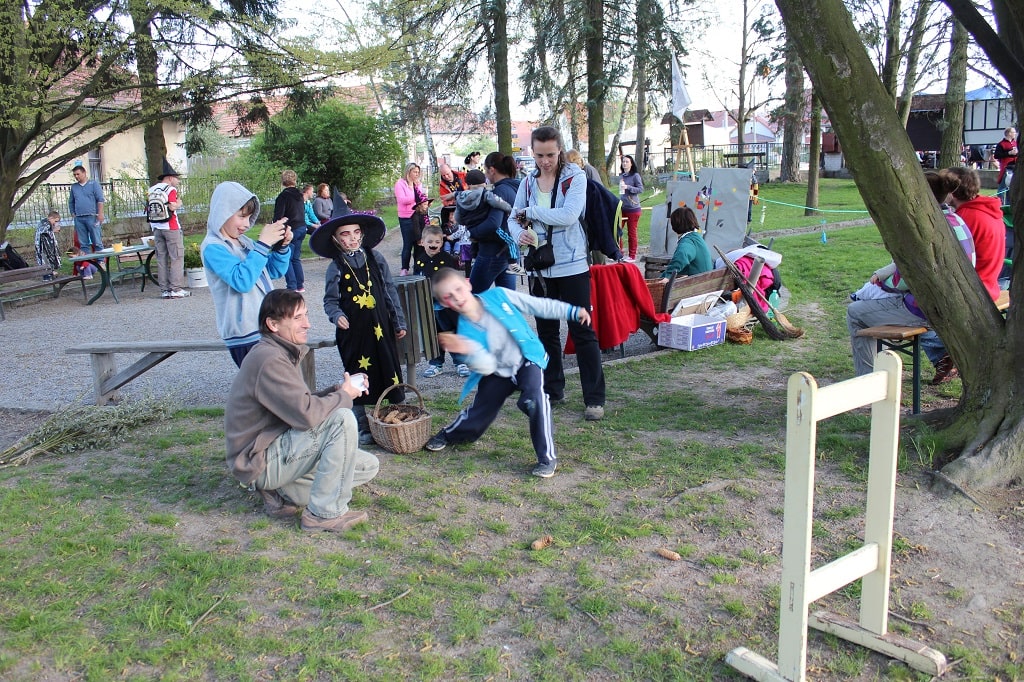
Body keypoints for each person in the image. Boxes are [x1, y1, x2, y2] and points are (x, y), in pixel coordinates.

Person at [225, 288, 379, 533]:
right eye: (298, 318)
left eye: (306, 315)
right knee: (341, 420)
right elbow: (306, 415)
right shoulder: (269, 360)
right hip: (258, 459)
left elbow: (298, 404)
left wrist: (338, 390)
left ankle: (282, 490)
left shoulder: (277, 351)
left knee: (367, 465)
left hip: (274, 448)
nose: (307, 324)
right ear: (273, 324)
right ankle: (322, 513)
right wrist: (343, 396)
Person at [424, 268, 592, 478]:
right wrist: (468, 348)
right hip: (496, 371)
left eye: (458, 289)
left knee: (536, 400)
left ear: (467, 284)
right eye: (448, 296)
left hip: (526, 360)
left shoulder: (498, 295)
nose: (456, 298)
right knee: (479, 413)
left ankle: (546, 458)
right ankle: (449, 434)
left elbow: (537, 304)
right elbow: (485, 366)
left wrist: (571, 311)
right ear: (444, 303)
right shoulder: (464, 331)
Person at [509, 125, 606, 421]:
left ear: (560, 150)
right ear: (532, 152)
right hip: (540, 269)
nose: (545, 161)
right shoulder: (528, 182)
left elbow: (568, 215)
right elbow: (512, 218)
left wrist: (531, 213)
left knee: (582, 331)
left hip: (572, 265)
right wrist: (518, 234)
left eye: (550, 155)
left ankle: (594, 399)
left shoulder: (575, 177)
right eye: (539, 155)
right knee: (546, 333)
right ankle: (553, 390)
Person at [846, 171, 977, 378]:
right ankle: (881, 371)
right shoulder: (957, 220)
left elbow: (902, 281)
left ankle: (868, 379)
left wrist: (883, 282)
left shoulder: (923, 229)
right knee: (875, 305)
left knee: (855, 311)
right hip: (956, 302)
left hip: (928, 308)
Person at [311, 212, 407, 446]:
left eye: (356, 232)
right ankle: (362, 425)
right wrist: (337, 316)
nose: (352, 238)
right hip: (354, 334)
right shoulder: (335, 267)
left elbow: (389, 290)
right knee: (358, 376)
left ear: (362, 234)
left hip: (381, 329)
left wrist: (398, 321)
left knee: (389, 368)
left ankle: (398, 415)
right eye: (345, 234)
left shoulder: (376, 258)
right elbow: (330, 301)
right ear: (336, 239)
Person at [920, 167, 1007, 383]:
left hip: (975, 290)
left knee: (914, 306)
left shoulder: (966, 217)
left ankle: (943, 352)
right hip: (991, 284)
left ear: (952, 191)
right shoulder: (987, 209)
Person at [201, 181, 292, 367]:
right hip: (245, 334)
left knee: (277, 382)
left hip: (266, 326)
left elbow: (273, 270)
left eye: (249, 217)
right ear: (223, 212)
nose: (246, 223)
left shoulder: (245, 242)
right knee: (264, 383)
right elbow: (242, 281)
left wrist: (282, 247)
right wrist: (263, 245)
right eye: (241, 216)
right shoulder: (213, 247)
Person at [414, 225, 466, 378]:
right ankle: (436, 363)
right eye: (430, 241)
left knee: (451, 332)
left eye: (437, 242)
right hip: (428, 305)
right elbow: (416, 279)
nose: (434, 245)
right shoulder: (419, 260)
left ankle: (460, 362)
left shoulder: (447, 259)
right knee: (433, 334)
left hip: (446, 305)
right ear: (422, 242)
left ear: (442, 243)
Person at [468, 152, 520, 293]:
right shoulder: (515, 188)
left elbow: (493, 223)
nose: (485, 175)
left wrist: (472, 232)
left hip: (492, 252)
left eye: (485, 170)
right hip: (509, 251)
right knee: (507, 300)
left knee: (472, 298)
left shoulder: (499, 191)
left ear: (492, 170)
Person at [456, 169, 524, 277]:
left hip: (472, 227)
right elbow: (498, 204)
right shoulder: (486, 194)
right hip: (488, 229)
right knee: (510, 241)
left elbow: (458, 217)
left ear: (468, 184)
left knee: (475, 242)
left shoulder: (461, 197)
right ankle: (513, 264)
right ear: (484, 182)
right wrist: (510, 210)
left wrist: (467, 224)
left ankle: (474, 259)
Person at [148, 159, 190, 299]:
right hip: (170, 226)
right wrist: (179, 203)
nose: (178, 181)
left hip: (156, 227)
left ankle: (164, 289)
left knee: (161, 258)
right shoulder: (170, 189)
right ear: (170, 178)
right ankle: (176, 288)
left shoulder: (152, 189)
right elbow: (172, 206)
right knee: (177, 257)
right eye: (177, 178)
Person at [273, 170, 308, 293]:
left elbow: (279, 216)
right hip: (301, 227)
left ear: (283, 181)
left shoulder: (283, 196)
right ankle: (300, 285)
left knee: (287, 257)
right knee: (296, 258)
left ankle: (292, 286)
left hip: (291, 229)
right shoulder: (299, 195)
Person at [658, 207, 712, 282]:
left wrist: (668, 275)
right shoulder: (696, 237)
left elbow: (682, 255)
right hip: (704, 281)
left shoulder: (688, 241)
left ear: (675, 224)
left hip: (697, 283)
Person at [394, 163, 428, 276]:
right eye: (415, 172)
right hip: (406, 218)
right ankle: (404, 268)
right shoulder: (400, 184)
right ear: (408, 172)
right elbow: (402, 200)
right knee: (408, 243)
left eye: (418, 172)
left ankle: (417, 268)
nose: (417, 174)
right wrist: (416, 195)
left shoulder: (417, 184)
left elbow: (421, 200)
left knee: (419, 243)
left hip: (418, 215)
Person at [68, 162, 105, 253]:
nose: (76, 176)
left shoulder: (94, 184)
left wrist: (100, 214)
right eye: (74, 175)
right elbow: (71, 201)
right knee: (83, 243)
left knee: (97, 241)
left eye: (78, 174)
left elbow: (100, 200)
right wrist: (73, 213)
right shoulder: (74, 187)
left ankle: (100, 260)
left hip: (92, 217)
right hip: (79, 218)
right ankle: (87, 261)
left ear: (84, 173)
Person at [619, 155, 644, 262]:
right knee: (617, 230)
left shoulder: (635, 176)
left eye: (627, 162)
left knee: (631, 233)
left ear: (631, 163)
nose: (624, 163)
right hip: (622, 208)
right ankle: (619, 253)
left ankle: (632, 256)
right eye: (623, 162)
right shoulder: (621, 176)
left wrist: (628, 187)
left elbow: (640, 189)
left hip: (633, 209)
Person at [993, 127, 1017, 207]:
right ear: (1009, 133)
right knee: (1003, 187)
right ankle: (1000, 204)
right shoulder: (1001, 144)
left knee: (1010, 188)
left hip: (1014, 168)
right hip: (1006, 168)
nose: (1015, 134)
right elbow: (997, 155)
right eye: (1013, 132)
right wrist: (1008, 153)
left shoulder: (1015, 143)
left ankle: (1008, 204)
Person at [438, 163, 466, 229]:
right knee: (444, 211)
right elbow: (444, 200)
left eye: (447, 174)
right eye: (443, 175)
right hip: (454, 206)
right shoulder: (442, 185)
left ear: (450, 170)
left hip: (467, 201)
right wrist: (453, 202)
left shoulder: (462, 176)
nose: (446, 177)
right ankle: (446, 230)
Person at [35, 210, 62, 280]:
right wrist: (53, 230)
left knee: (50, 259)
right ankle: (47, 276)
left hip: (48, 246)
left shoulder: (47, 224)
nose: (55, 223)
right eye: (55, 221)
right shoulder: (44, 224)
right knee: (44, 260)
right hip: (43, 247)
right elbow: (43, 232)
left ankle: (51, 273)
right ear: (51, 218)